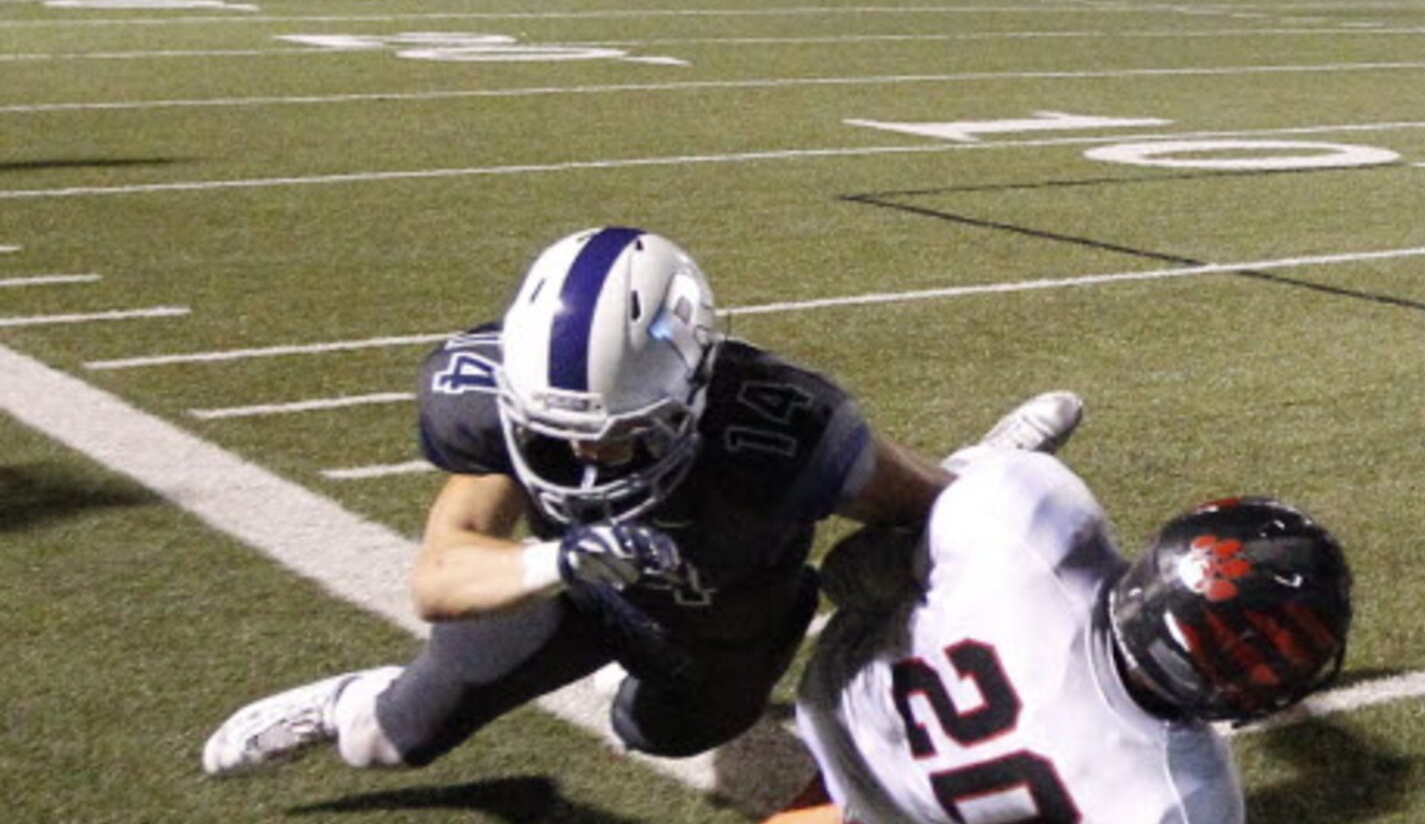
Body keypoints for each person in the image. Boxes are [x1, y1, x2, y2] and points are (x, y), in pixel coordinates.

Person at [201, 227, 953, 781]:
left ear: (694, 392)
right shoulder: (488, 400)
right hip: (574, 593)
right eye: (555, 434)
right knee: (384, 744)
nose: (588, 457)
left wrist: (987, 492)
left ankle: (628, 681)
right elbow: (440, 575)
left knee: (658, 733)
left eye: (625, 433)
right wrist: (556, 559)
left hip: (727, 618)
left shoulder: (782, 429)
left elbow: (928, 502)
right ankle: (346, 699)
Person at [794, 400, 1350, 824]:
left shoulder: (1032, 518)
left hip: (834, 695)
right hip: (899, 814)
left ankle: (982, 462)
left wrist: (976, 506)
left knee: (954, 521)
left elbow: (845, 570)